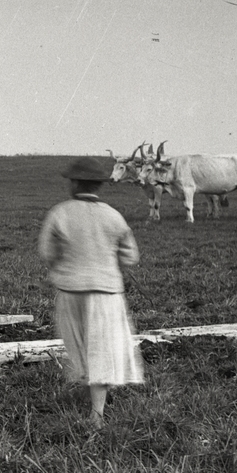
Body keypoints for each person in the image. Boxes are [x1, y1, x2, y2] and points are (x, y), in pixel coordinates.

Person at [38, 156, 144, 422]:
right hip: (106, 293)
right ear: (99, 185)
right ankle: (97, 412)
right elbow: (131, 257)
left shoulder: (60, 212)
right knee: (102, 349)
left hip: (70, 290)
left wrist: (67, 263)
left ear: (74, 183)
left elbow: (46, 252)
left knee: (80, 348)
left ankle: (93, 407)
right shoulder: (113, 215)